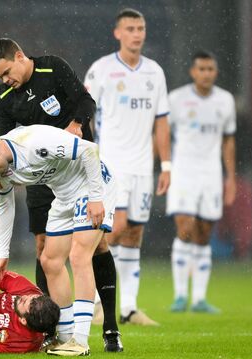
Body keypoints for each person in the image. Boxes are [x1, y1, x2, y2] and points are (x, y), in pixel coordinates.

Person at [0, 38, 121, 351]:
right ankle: (51, 329)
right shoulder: (5, 95)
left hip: (78, 165)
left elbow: (86, 103)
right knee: (45, 249)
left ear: (19, 56)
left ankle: (110, 328)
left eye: (7, 72)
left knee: (95, 245)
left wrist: (76, 123)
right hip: (42, 175)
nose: (5, 80)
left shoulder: (52, 66)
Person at [0, 124, 118, 356]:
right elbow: (5, 205)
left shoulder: (35, 142)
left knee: (79, 255)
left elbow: (89, 150)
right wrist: (2, 255)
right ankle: (65, 338)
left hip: (93, 184)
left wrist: (95, 197)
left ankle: (80, 341)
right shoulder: (1, 170)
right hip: (64, 193)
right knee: (50, 261)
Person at [84, 8, 171, 326]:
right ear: (118, 33)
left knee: (134, 233)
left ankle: (129, 308)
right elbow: (83, 113)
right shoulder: (102, 70)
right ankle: (94, 302)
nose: (137, 33)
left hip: (142, 168)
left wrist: (168, 165)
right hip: (111, 165)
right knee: (112, 230)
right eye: (131, 28)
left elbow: (162, 121)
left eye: (141, 28)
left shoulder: (155, 73)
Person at [167, 50, 236, 313]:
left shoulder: (225, 101)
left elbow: (228, 141)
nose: (206, 73)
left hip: (211, 174)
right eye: (202, 69)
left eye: (210, 69)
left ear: (215, 72)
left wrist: (230, 177)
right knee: (185, 228)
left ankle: (199, 299)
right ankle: (180, 295)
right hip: (183, 172)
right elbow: (162, 132)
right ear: (193, 72)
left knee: (205, 233)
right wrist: (163, 166)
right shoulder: (177, 100)